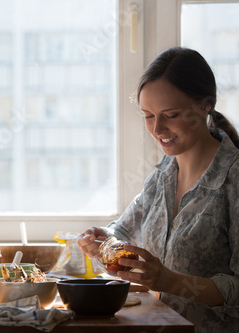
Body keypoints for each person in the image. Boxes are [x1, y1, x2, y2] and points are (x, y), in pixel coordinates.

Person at [77, 47, 239, 332]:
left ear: (205, 105)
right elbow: (123, 231)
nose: (157, 128)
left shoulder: (233, 180)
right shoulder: (163, 173)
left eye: (171, 114)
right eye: (148, 115)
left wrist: (169, 281)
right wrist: (103, 242)